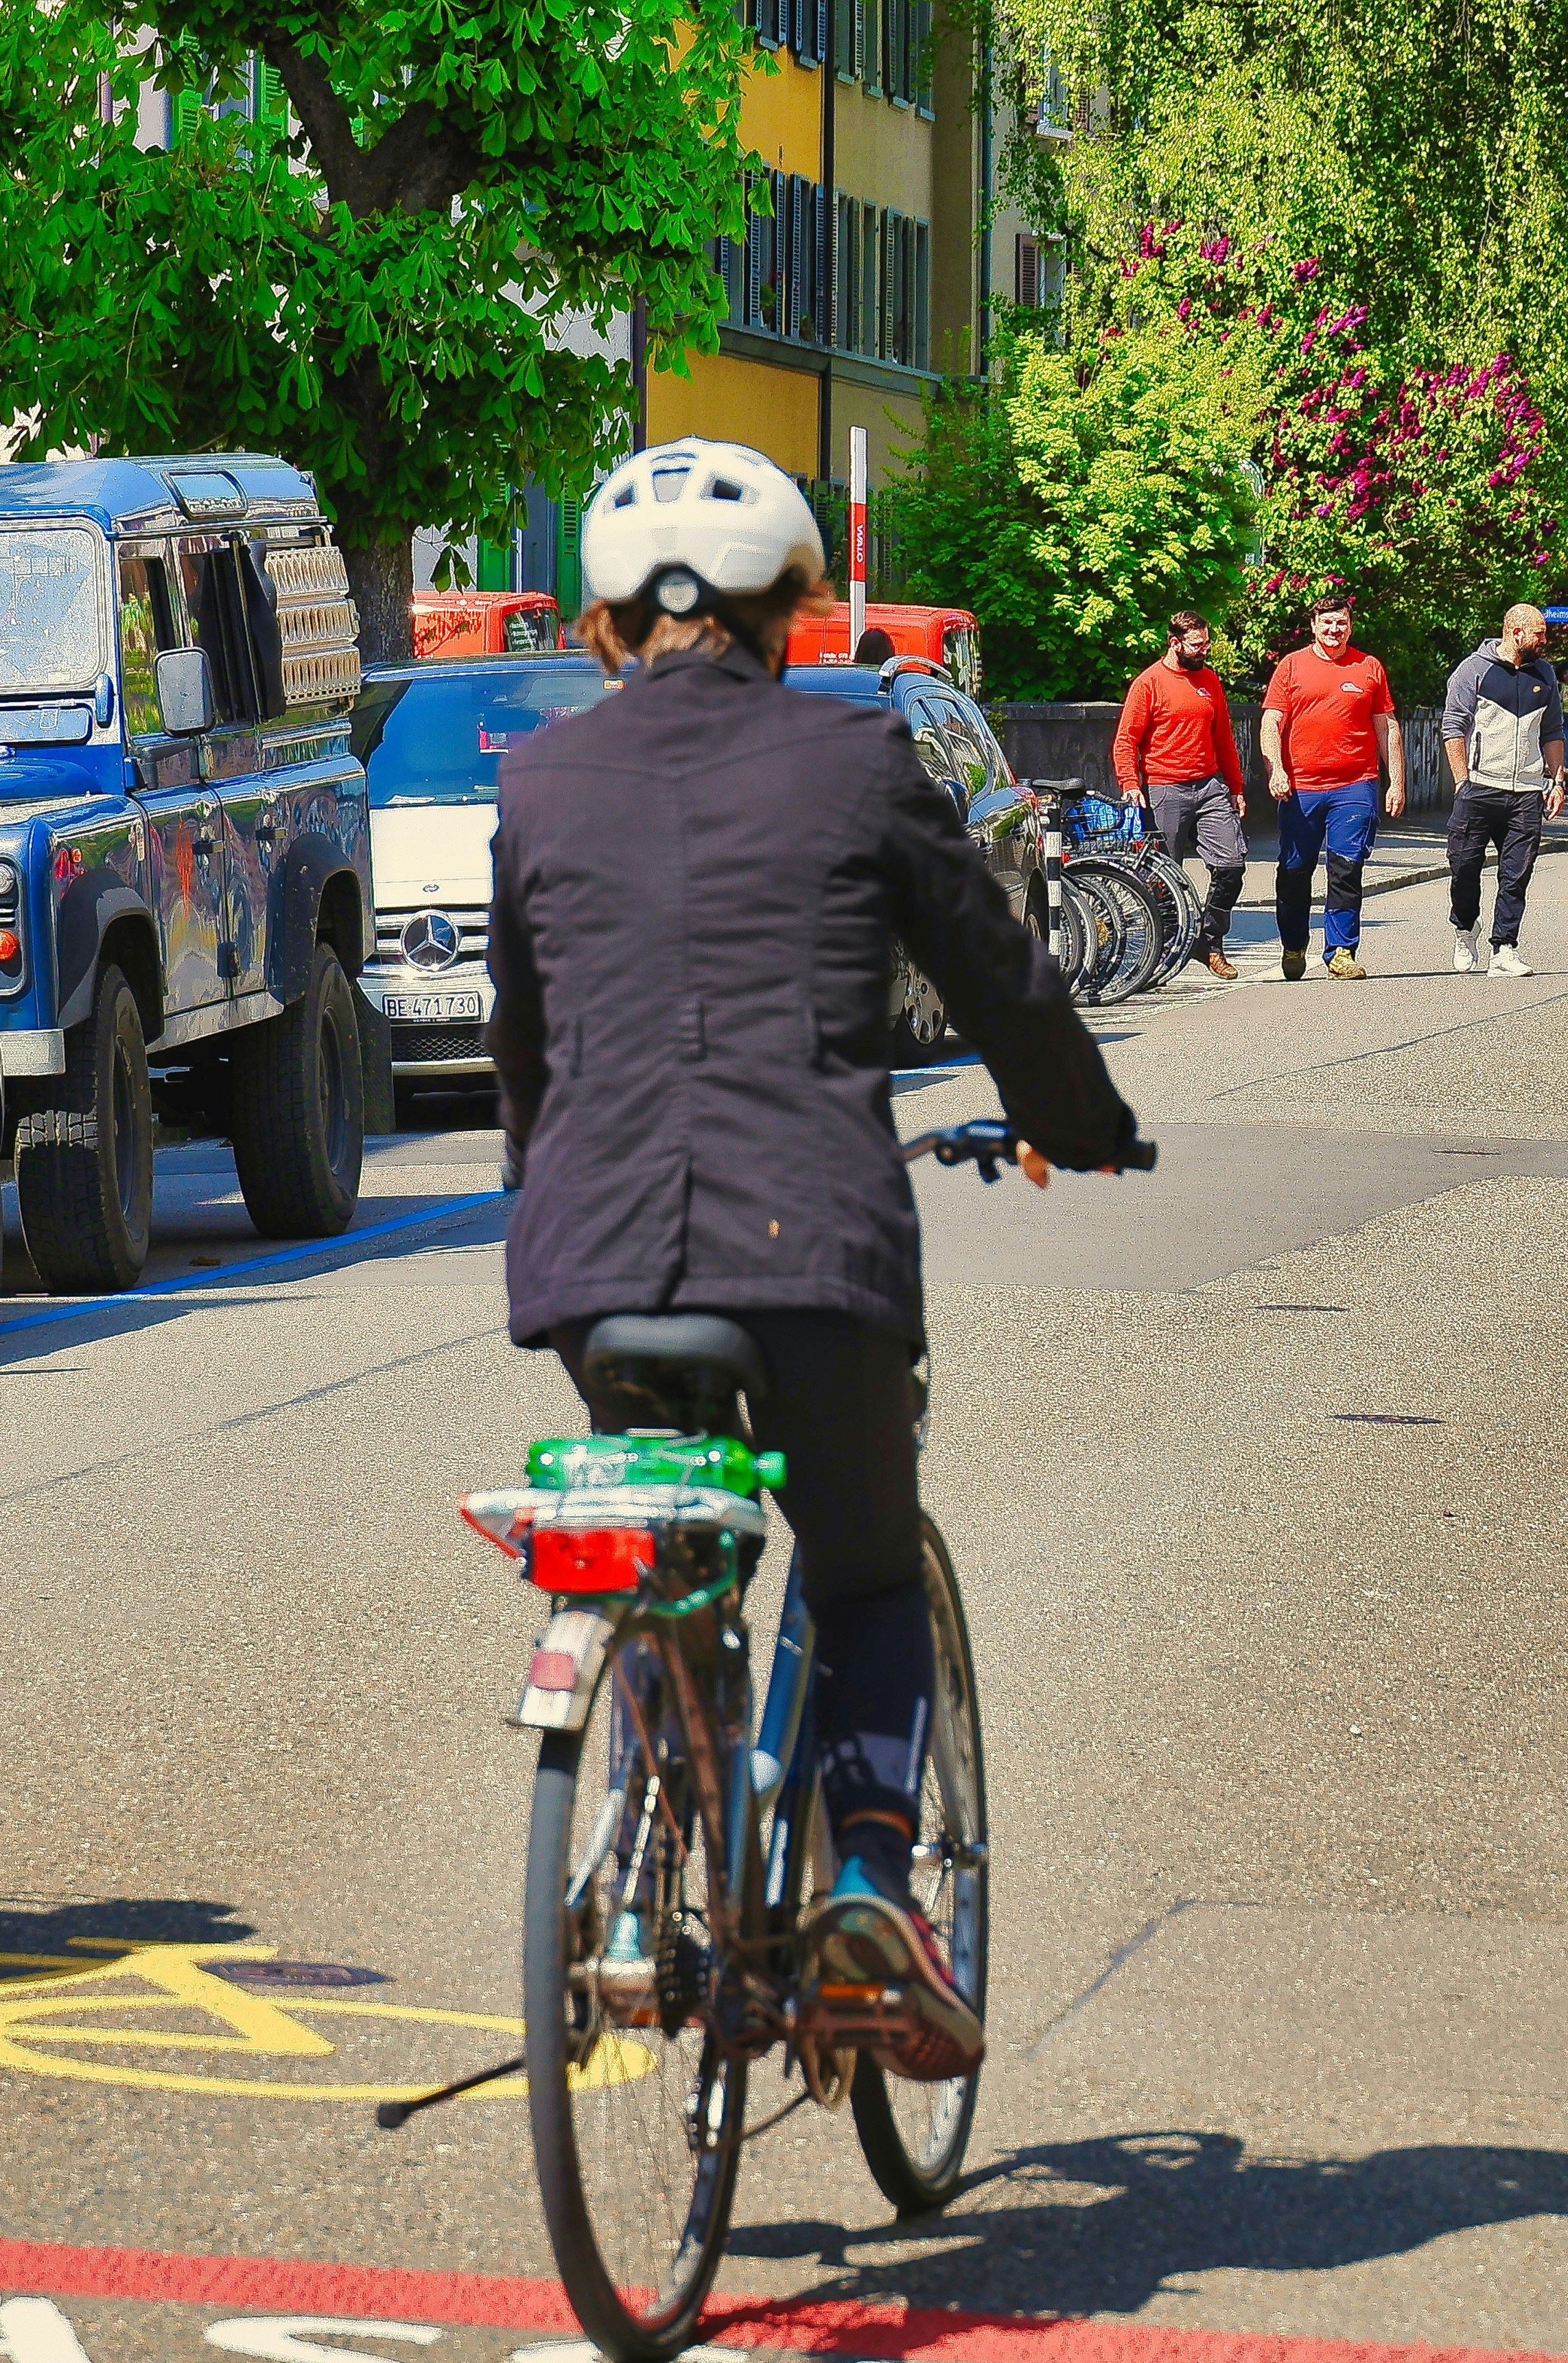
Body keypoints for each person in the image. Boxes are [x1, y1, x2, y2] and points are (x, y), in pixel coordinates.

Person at [488, 437, 1139, 2081]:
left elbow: (524, 1050)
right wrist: (1087, 1117)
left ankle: (638, 1869)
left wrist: (547, 1209)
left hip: (595, 1256)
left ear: (604, 621)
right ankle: (862, 1879)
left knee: (656, 1526)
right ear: (798, 606)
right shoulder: (856, 768)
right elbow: (1000, 979)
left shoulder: (539, 783)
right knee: (856, 1564)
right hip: (811, 1240)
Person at [1259, 597, 1402, 980]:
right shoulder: (1291, 666)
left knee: (1346, 867)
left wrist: (1396, 781)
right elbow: (1271, 723)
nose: (1334, 630)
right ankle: (1293, 943)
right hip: (1301, 788)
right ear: (1314, 627)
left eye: (1341, 623)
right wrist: (1276, 770)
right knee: (1294, 870)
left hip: (1355, 785)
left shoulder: (1369, 667)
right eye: (1327, 624)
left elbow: (1386, 727)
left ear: (1350, 626)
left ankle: (1341, 951)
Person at [1114, 609, 1250, 981]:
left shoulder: (1210, 680)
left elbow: (1224, 738)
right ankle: (1166, 949)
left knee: (1231, 865)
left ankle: (1209, 942)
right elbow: (1126, 740)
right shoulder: (1149, 683)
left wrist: (1236, 787)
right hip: (1165, 787)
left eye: (1207, 643)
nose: (1204, 650)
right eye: (1197, 645)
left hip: (1209, 786)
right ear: (1175, 643)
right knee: (1164, 877)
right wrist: (1130, 783)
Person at [1438, 602, 1567, 977]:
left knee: (1516, 874)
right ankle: (1465, 929)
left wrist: (1556, 782)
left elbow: (1553, 731)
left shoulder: (1545, 675)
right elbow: (1453, 728)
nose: (1545, 640)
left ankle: (1505, 948)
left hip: (1526, 792)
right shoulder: (1473, 671)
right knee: (1463, 869)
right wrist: (1463, 782)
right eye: (1539, 633)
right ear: (1516, 633)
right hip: (1479, 788)